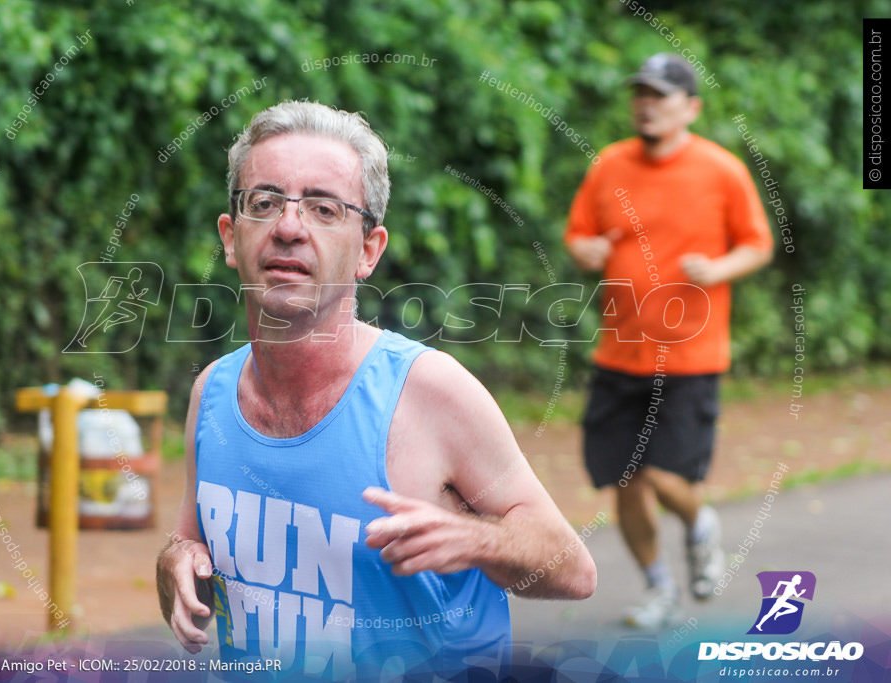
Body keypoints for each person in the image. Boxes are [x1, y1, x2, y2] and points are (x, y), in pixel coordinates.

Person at [157, 101, 597, 680]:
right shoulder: (212, 394)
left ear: (368, 250)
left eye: (324, 208)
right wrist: (174, 563)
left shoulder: (429, 393)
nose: (289, 228)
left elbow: (573, 569)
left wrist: (476, 540)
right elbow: (191, 555)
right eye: (264, 203)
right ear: (231, 237)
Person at [564, 54, 773, 629]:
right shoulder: (609, 165)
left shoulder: (721, 169)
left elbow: (758, 244)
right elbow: (579, 234)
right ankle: (660, 589)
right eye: (641, 93)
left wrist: (719, 267)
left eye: (660, 94)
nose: (647, 103)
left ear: (691, 107)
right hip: (619, 352)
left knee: (661, 475)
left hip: (690, 355)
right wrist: (585, 251)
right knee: (623, 480)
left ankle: (700, 522)